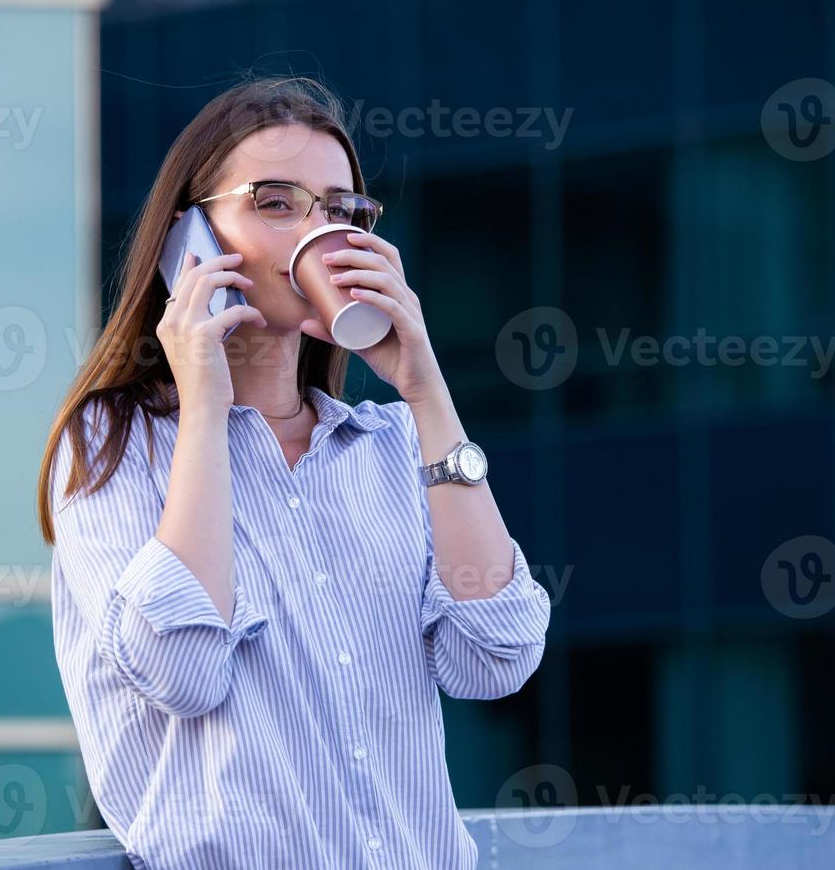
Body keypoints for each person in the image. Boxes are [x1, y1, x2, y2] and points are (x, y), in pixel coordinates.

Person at [35, 74, 551, 869]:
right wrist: (204, 407)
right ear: (190, 242)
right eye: (276, 202)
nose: (322, 232)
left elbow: (497, 657)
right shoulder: (114, 441)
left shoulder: (388, 445)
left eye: (342, 211)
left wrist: (426, 390)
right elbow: (181, 670)